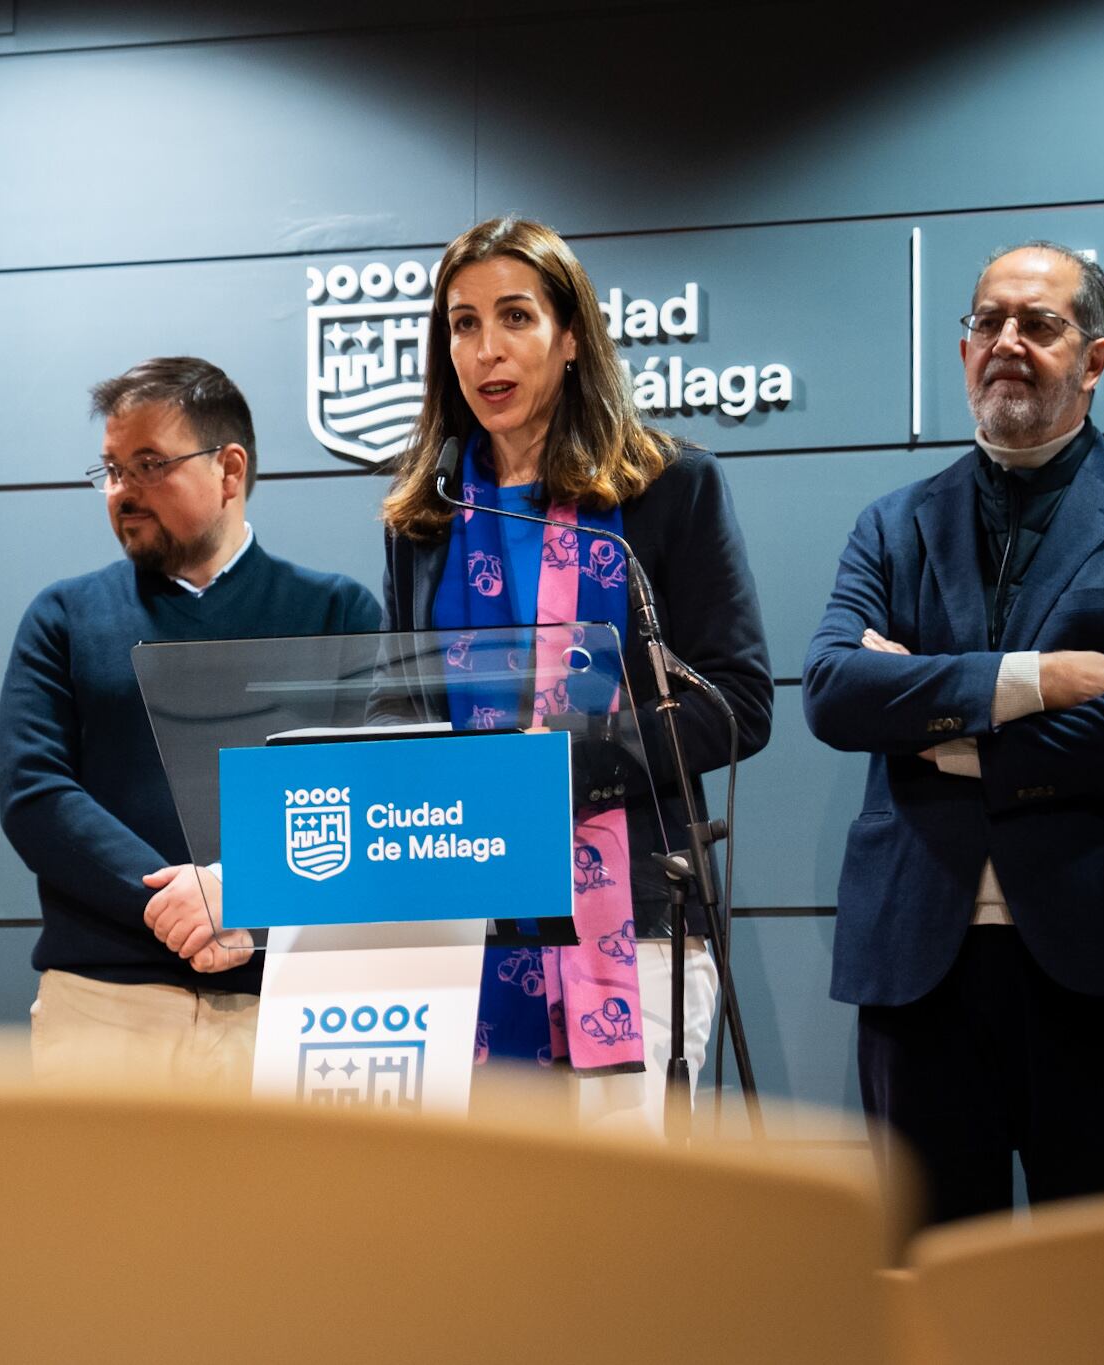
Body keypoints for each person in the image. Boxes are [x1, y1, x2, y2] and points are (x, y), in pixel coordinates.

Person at [802, 242, 1104, 1224]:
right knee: (930, 1271)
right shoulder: (889, 526)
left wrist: (934, 726)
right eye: (986, 323)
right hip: (918, 957)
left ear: (1093, 358)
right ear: (960, 355)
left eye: (1036, 325)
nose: (1005, 343)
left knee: (1096, 1278)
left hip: (1100, 947)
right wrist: (1036, 681)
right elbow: (831, 691)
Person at [378, 216, 773, 1130]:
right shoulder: (423, 520)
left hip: (633, 920)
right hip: (465, 927)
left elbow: (737, 702)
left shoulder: (668, 487)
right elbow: (405, 712)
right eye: (463, 324)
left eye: (515, 316)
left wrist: (568, 766)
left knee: (622, 1251)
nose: (487, 349)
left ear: (570, 337)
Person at [0, 356, 381, 1093]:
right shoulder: (64, 617)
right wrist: (181, 902)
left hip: (293, 1007)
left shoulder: (338, 612)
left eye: (148, 465)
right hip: (106, 1008)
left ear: (229, 469)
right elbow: (34, 793)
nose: (121, 492)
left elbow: (358, 790)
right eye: (110, 469)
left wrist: (244, 890)